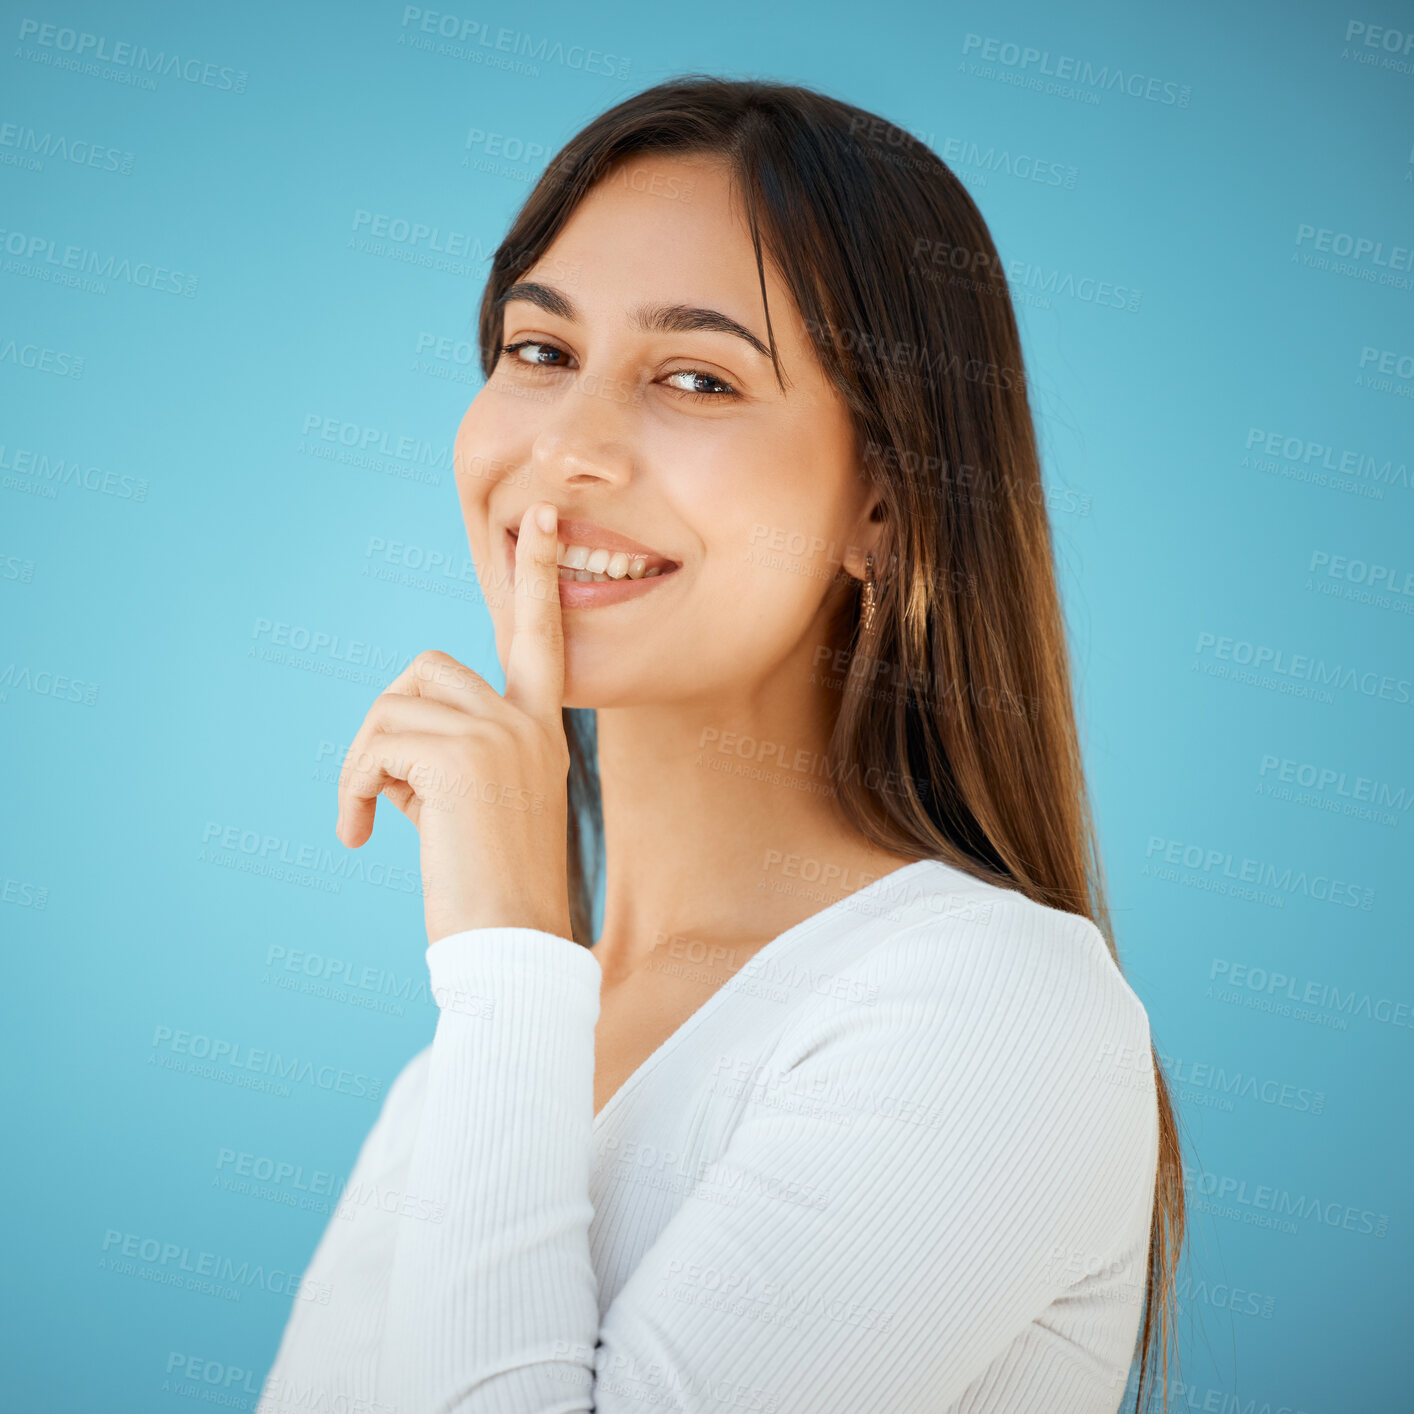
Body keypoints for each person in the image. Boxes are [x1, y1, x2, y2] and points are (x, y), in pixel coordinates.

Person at [255, 75, 1183, 1414]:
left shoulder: (996, 1006)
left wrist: (511, 951)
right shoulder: (476, 1061)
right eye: (537, 350)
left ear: (886, 502)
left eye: (695, 377)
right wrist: (511, 982)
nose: (566, 453)